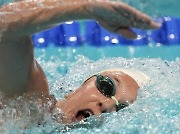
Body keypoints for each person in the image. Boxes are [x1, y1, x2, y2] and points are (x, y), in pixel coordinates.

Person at [0, 0, 160, 124]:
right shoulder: (33, 104)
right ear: (75, 89)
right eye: (107, 86)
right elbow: (5, 27)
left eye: (121, 109)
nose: (106, 105)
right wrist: (84, 8)